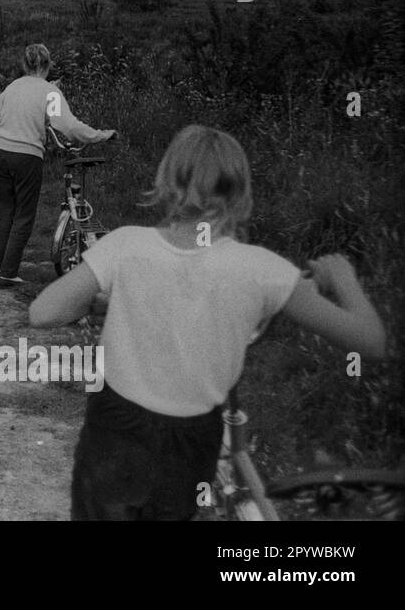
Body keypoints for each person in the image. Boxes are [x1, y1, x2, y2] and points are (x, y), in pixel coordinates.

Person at [30, 125, 387, 521]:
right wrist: (343, 279)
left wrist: (103, 300)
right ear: (239, 192)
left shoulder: (125, 245)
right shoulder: (263, 271)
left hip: (116, 429)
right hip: (192, 438)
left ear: (166, 180)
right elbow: (370, 341)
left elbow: (44, 312)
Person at [0, 44, 113, 288]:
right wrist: (100, 135)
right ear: (47, 64)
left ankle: (1, 267)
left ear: (25, 64)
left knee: (5, 211)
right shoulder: (49, 92)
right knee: (24, 214)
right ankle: (8, 273)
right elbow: (69, 127)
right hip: (27, 156)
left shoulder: (13, 86)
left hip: (0, 153)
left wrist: (15, 122)